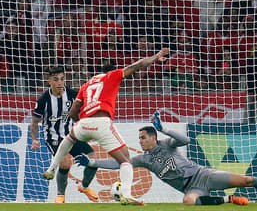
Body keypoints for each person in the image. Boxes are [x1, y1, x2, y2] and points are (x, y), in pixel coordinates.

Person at [74, 112, 257, 206]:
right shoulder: (143, 159)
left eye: (143, 137)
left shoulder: (166, 144)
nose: (141, 141)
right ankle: (228, 201)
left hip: (203, 175)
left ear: (153, 137)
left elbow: (185, 140)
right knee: (188, 202)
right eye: (140, 138)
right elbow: (118, 164)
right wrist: (93, 163)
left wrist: (164, 128)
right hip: (189, 187)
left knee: (246, 180)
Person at [43, 48, 170, 205]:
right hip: (101, 123)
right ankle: (126, 194)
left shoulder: (86, 85)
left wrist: (82, 122)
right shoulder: (112, 76)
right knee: (126, 161)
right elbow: (136, 66)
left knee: (70, 137)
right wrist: (155, 57)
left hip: (83, 124)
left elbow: (73, 112)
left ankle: (51, 168)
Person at [30, 66, 99, 203]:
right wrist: (34, 139)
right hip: (53, 137)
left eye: (62, 79)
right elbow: (34, 122)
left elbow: (84, 108)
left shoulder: (73, 94)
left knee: (93, 160)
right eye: (56, 80)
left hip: (72, 136)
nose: (60, 83)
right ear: (49, 81)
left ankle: (84, 187)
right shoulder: (44, 100)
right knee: (65, 163)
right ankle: (60, 196)